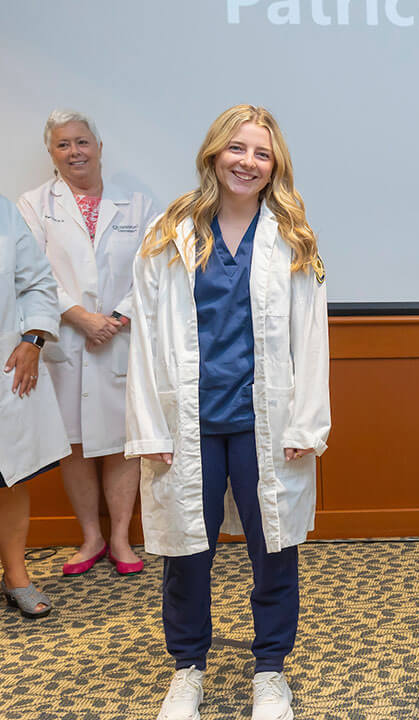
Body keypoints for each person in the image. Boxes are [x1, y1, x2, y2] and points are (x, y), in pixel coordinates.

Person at [126, 104, 330, 720]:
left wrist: (307, 422)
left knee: (275, 547)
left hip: (265, 422)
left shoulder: (292, 236)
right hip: (188, 422)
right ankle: (188, 668)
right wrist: (148, 428)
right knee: (188, 551)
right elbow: (144, 337)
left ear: (275, 165)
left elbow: (311, 335)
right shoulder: (171, 231)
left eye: (261, 153)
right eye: (236, 149)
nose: (248, 162)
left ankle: (270, 670)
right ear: (214, 153)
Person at [17, 109, 157, 576]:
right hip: (65, 341)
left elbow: (154, 269)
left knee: (121, 441)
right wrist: (80, 317)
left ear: (98, 146)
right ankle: (90, 537)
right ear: (51, 154)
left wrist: (116, 318)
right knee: (72, 442)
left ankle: (120, 538)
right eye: (62, 145)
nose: (74, 152)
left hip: (121, 338)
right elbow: (31, 271)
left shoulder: (137, 205)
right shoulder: (34, 204)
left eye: (81, 142)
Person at [0, 194, 70, 619]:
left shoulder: (3, 211)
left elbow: (38, 282)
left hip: (5, 365)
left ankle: (16, 575)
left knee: (8, 478)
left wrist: (33, 339)